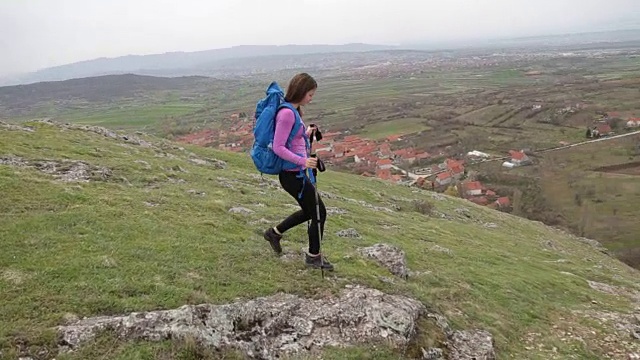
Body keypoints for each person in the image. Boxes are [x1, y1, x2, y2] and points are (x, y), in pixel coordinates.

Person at [262, 73, 333, 271]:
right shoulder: (286, 114)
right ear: (301, 92)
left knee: (311, 211)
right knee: (319, 212)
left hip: (297, 173)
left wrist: (307, 132)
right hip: (292, 175)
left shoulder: (293, 111)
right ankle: (313, 256)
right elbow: (278, 147)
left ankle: (274, 233)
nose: (311, 98)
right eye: (310, 94)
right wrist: (304, 161)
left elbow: (293, 137)